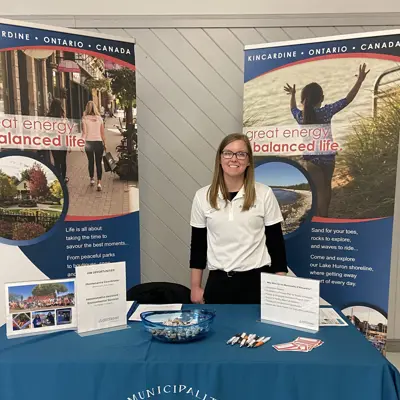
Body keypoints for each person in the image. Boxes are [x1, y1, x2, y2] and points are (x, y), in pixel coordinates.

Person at [189, 133, 288, 304]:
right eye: (228, 153)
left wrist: (279, 288)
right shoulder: (202, 196)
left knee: (258, 332)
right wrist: (195, 287)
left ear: (248, 161)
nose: (234, 159)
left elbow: (276, 244)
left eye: (241, 154)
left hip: (257, 283)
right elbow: (198, 246)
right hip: (218, 284)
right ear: (220, 159)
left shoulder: (264, 194)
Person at [284, 63, 369, 217]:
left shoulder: (301, 116)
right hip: (328, 157)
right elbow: (347, 99)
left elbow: (292, 109)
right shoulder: (326, 111)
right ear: (322, 98)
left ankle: (318, 216)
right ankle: (324, 216)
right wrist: (360, 81)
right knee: (326, 188)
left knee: (317, 191)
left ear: (303, 101)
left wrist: (292, 95)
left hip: (311, 159)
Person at [81, 101, 107, 191]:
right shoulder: (99, 118)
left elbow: (84, 133)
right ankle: (99, 183)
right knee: (99, 163)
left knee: (90, 161)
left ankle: (92, 179)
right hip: (98, 142)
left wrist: (81, 144)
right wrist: (104, 143)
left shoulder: (84, 119)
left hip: (89, 142)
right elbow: (102, 133)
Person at [48, 98, 69, 183]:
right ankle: (63, 178)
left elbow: (47, 131)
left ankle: (58, 177)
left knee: (56, 161)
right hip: (63, 141)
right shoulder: (62, 117)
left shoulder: (48, 117)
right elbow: (67, 131)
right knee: (63, 161)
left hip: (54, 142)